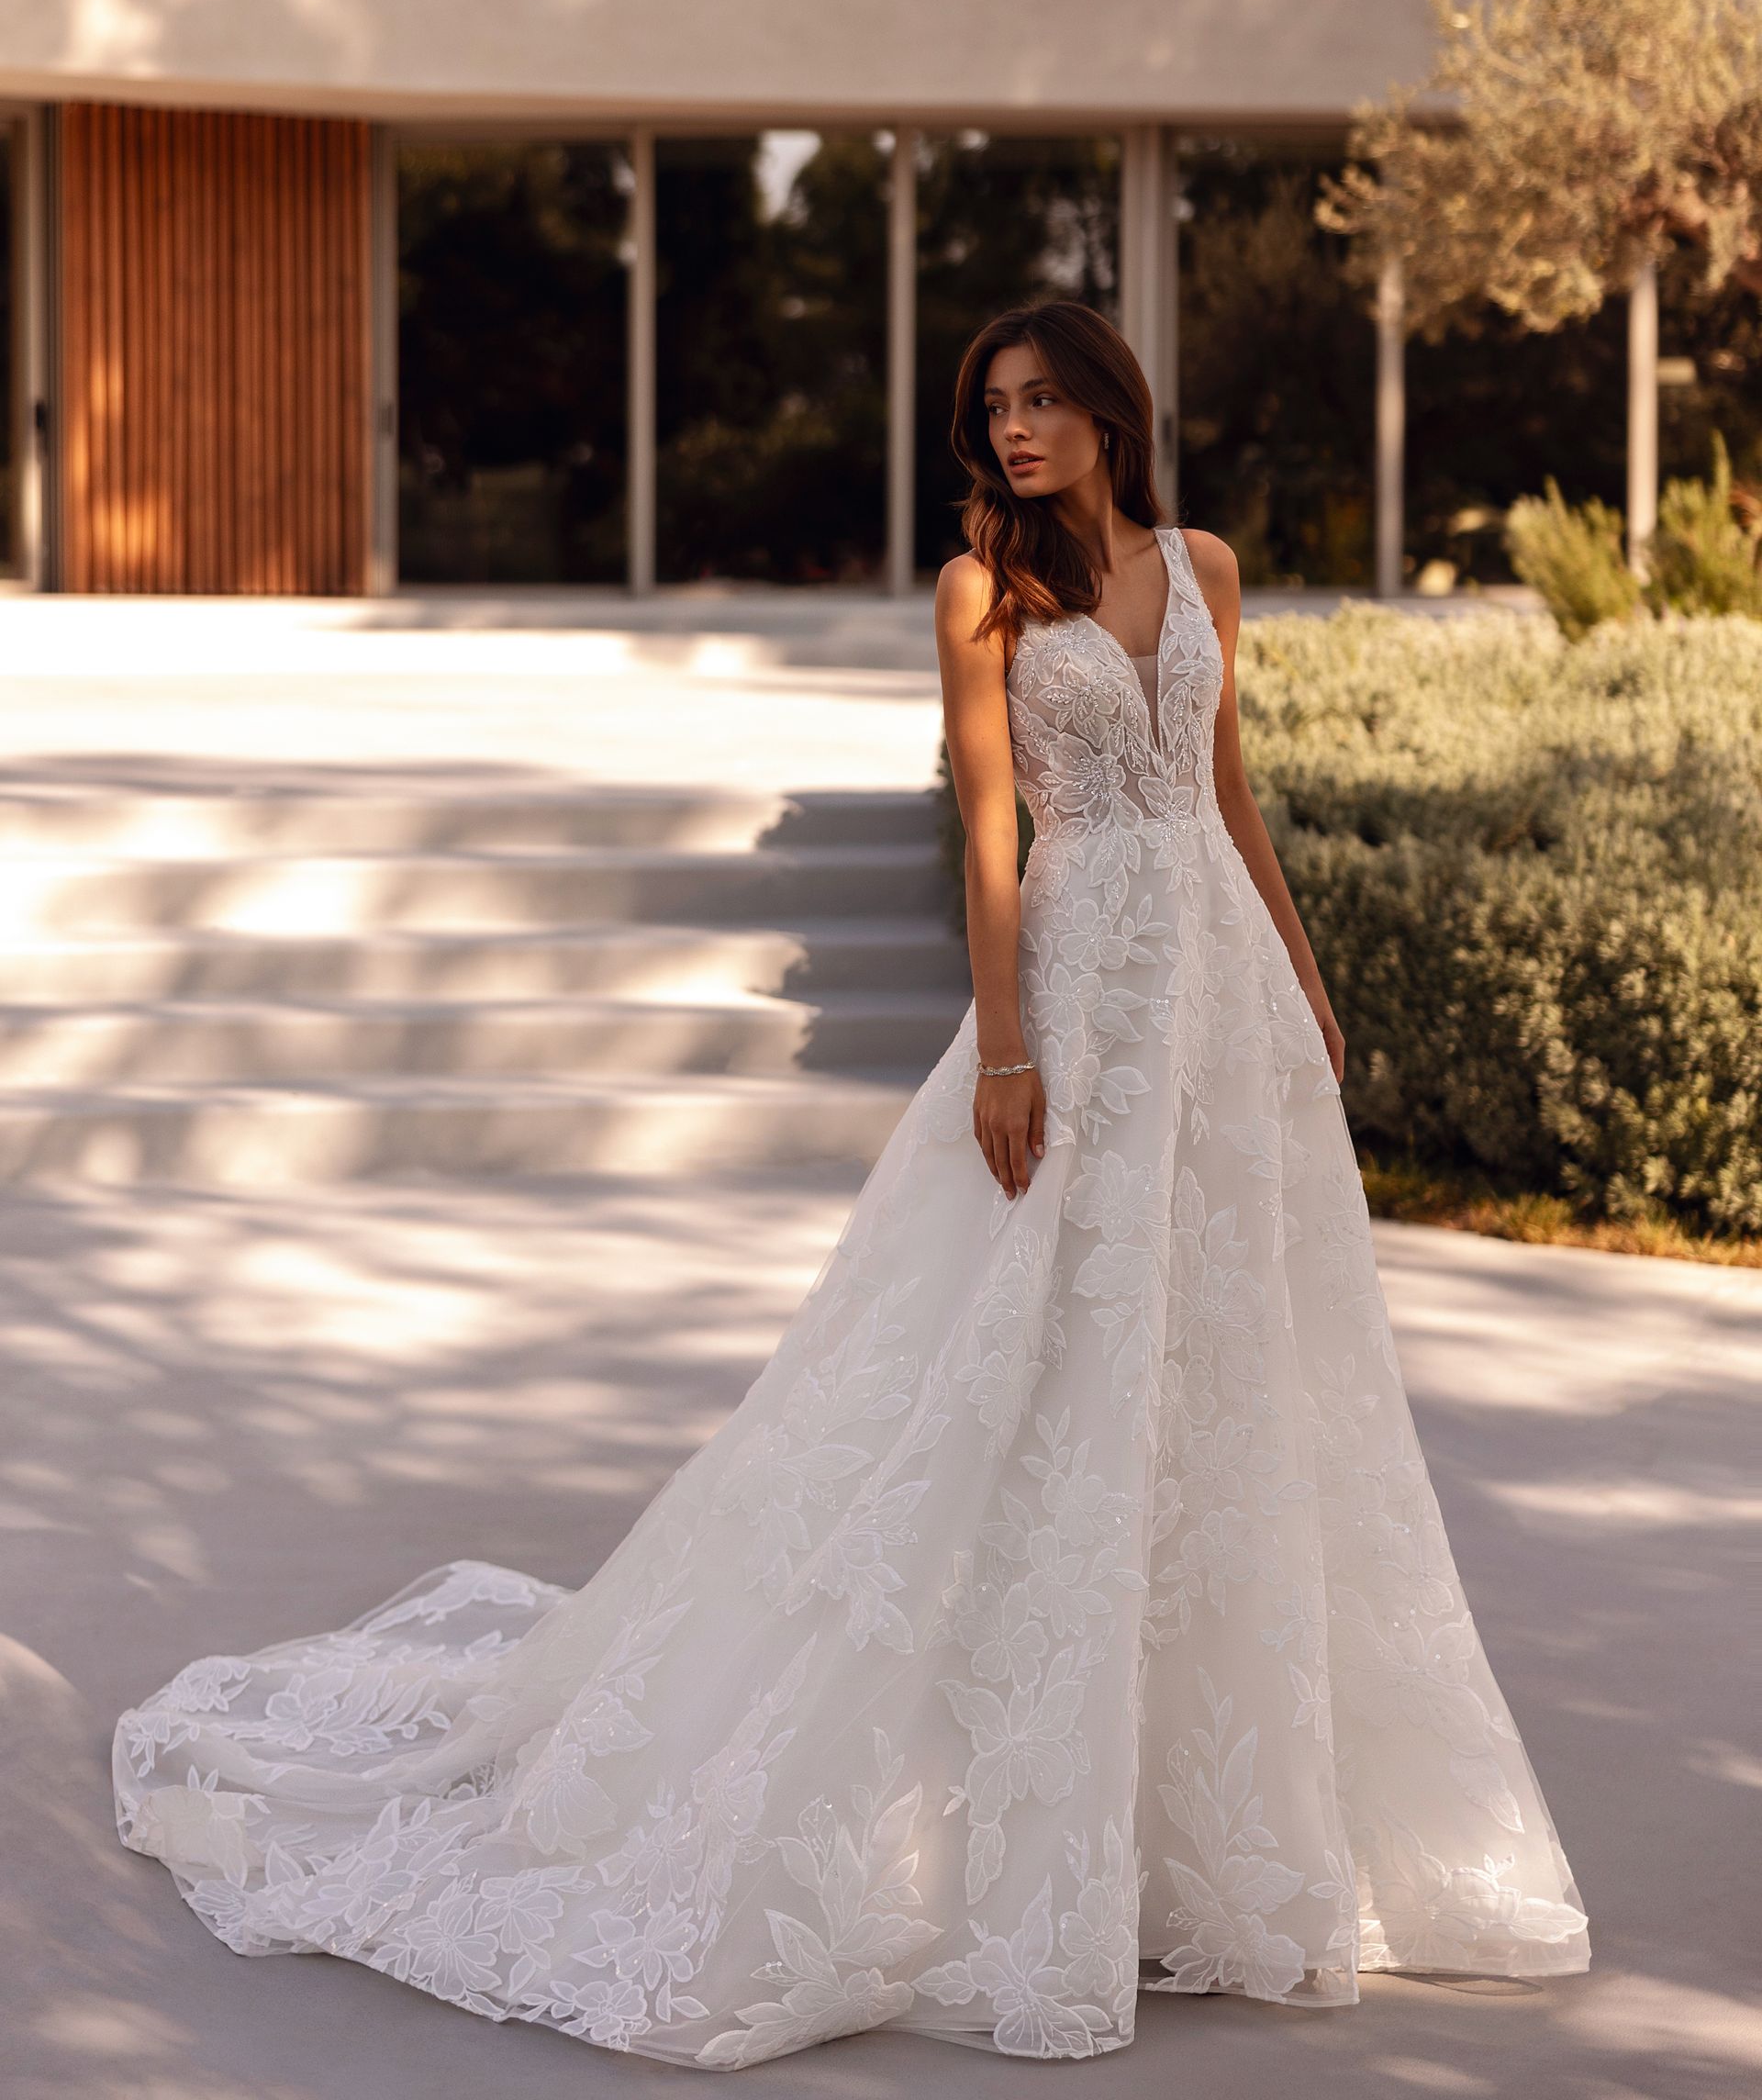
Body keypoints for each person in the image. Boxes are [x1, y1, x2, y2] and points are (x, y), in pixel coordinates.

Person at [114, 300, 1589, 2068]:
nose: (1020, 430)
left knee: (1226, 1372)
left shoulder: (1203, 563)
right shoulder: (985, 590)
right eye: (996, 406)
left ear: (1112, 413)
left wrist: (1305, 970)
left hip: (1222, 1003)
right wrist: (1011, 1047)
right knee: (1024, 1358)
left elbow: (1226, 791)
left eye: (1047, 400)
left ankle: (1203, 1835)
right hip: (1081, 991)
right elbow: (993, 829)